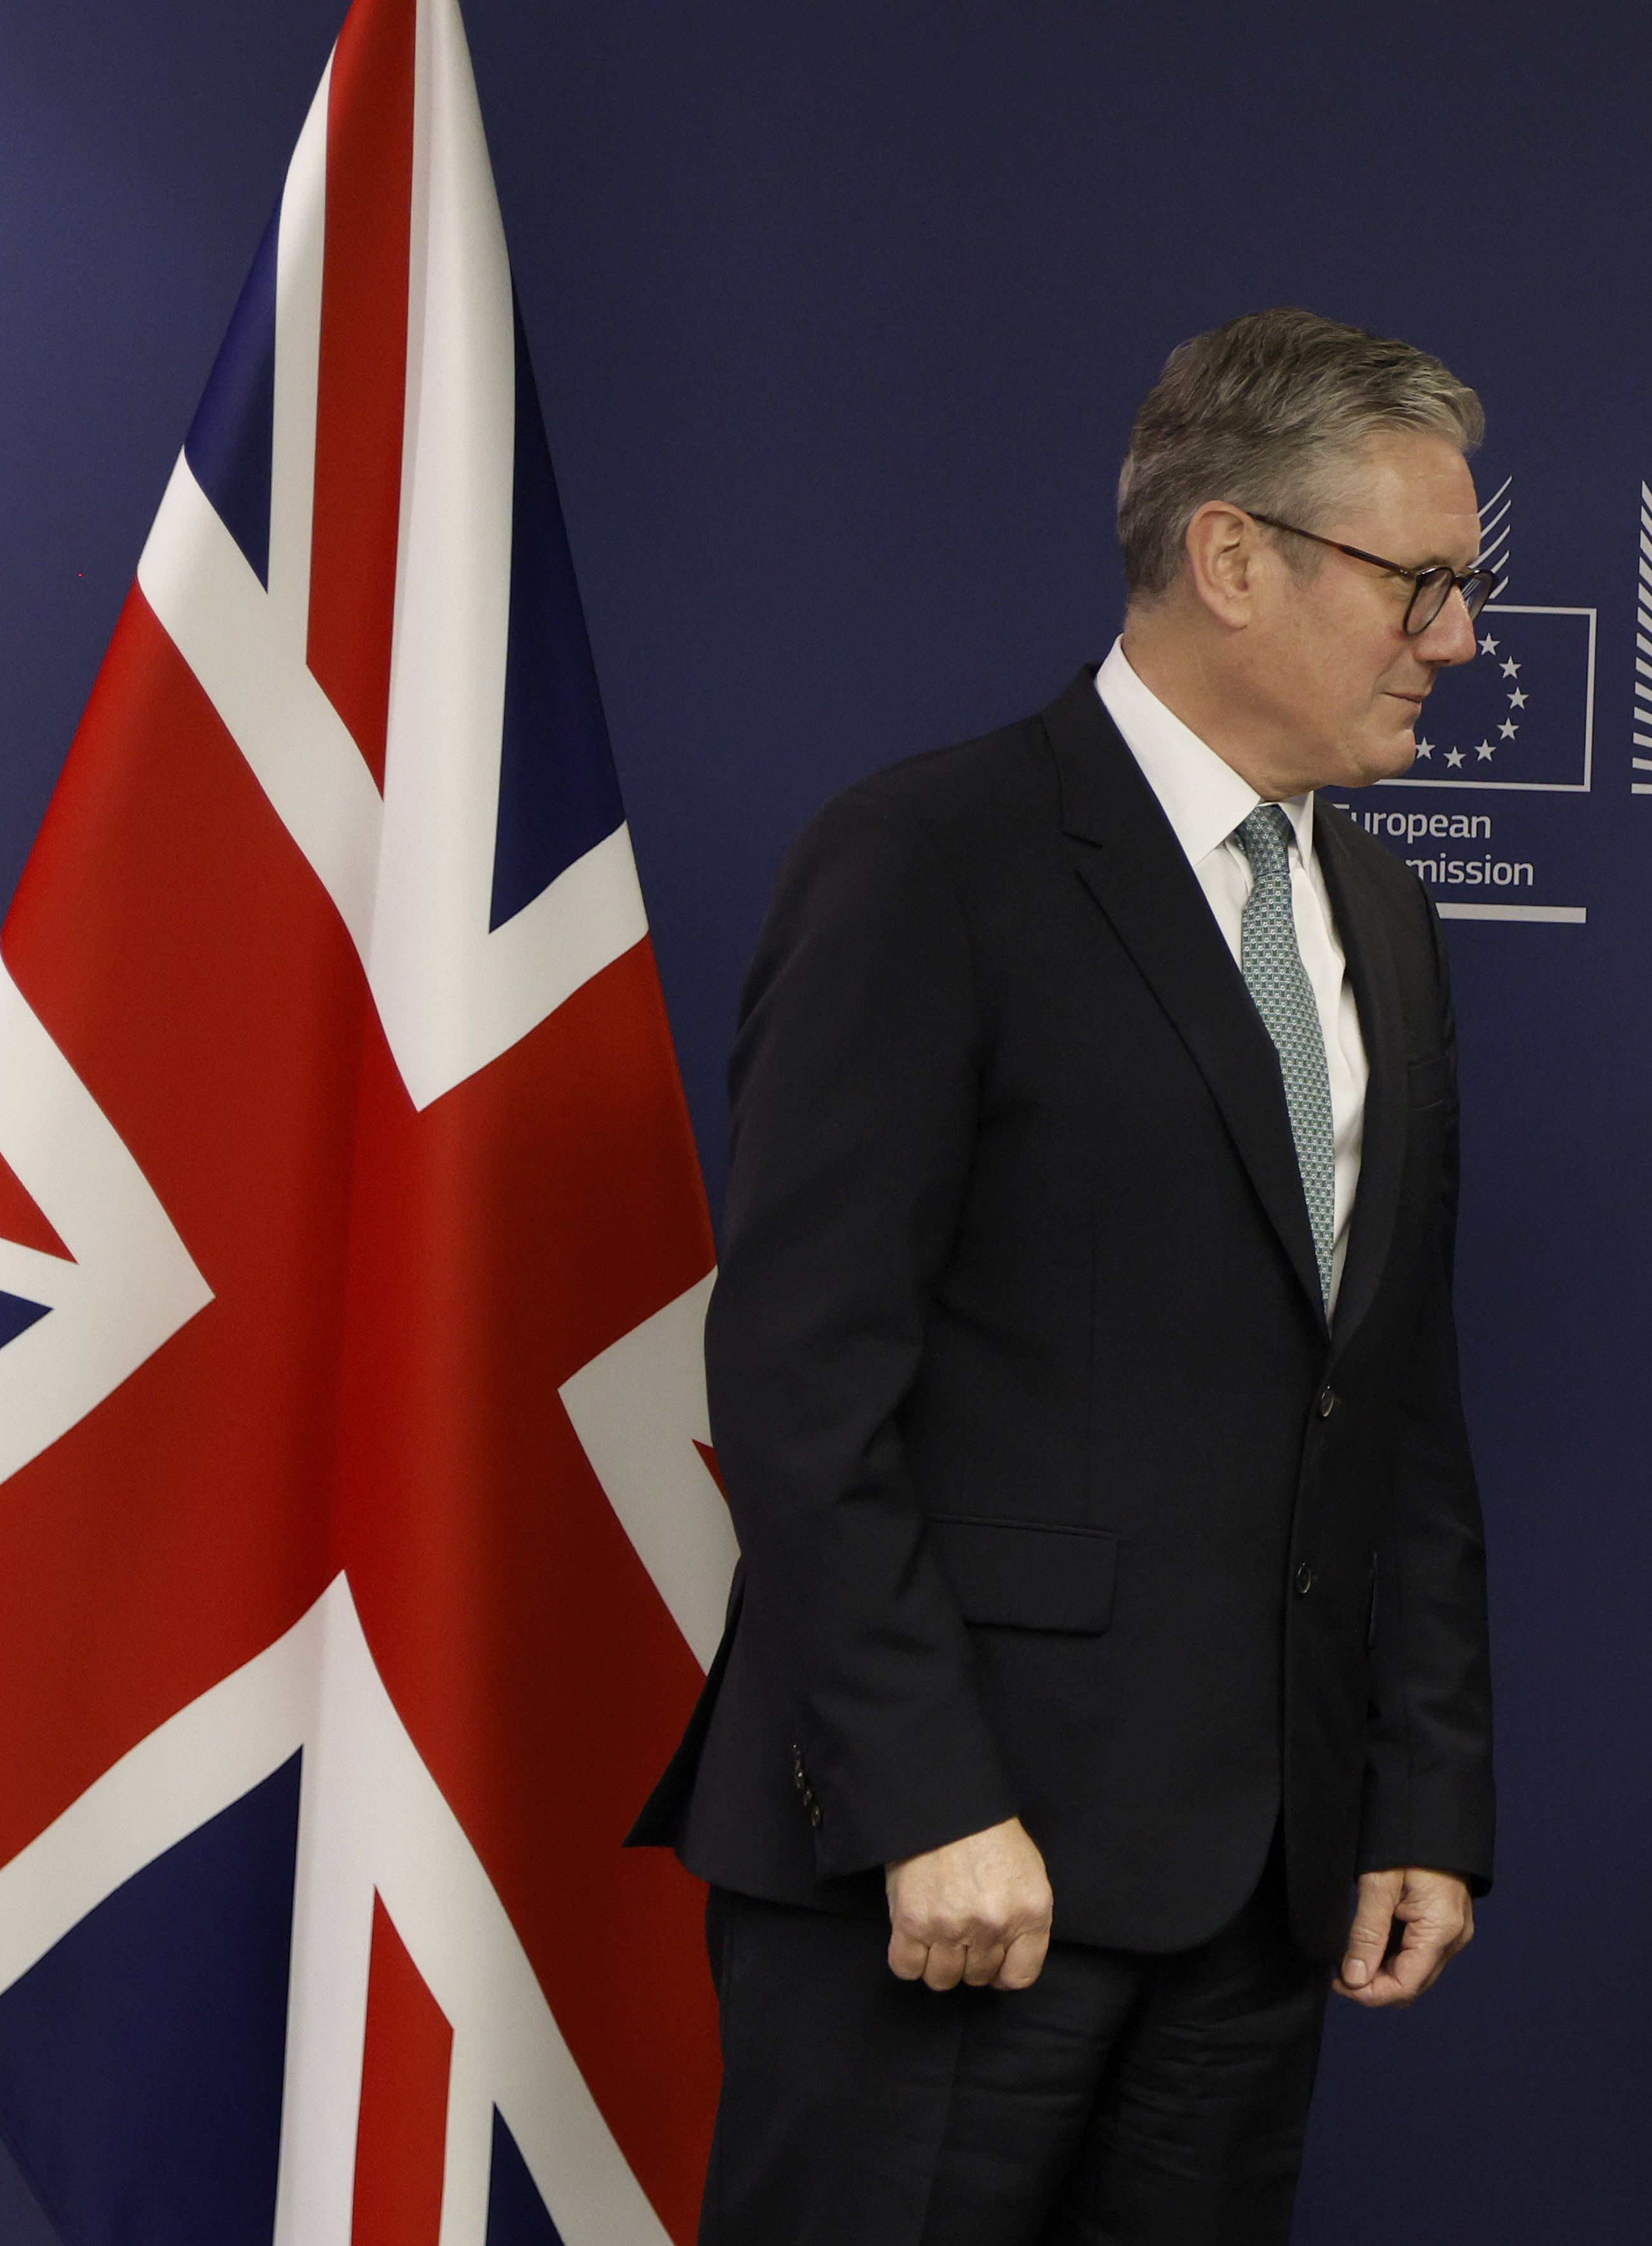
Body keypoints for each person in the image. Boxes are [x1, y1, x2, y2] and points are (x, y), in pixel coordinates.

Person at [632, 307, 1499, 2245]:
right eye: (1422, 583)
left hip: (1262, 1886)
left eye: (1465, 586)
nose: (1455, 636)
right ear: (1231, 555)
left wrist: (1424, 1789)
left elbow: (1395, 1392)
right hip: (947, 1878)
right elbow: (798, 1381)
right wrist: (923, 1795)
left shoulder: (1384, 912)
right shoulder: (927, 860)